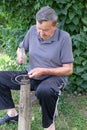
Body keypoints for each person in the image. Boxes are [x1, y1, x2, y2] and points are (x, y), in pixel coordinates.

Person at [0, 6, 74, 130]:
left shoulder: (64, 38)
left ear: (55, 26)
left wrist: (44, 71)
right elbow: (21, 47)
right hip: (32, 74)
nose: (40, 33)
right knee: (0, 77)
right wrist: (21, 55)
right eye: (39, 28)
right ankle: (12, 114)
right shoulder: (33, 30)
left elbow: (68, 69)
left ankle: (49, 126)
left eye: (45, 30)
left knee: (44, 91)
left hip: (54, 78)